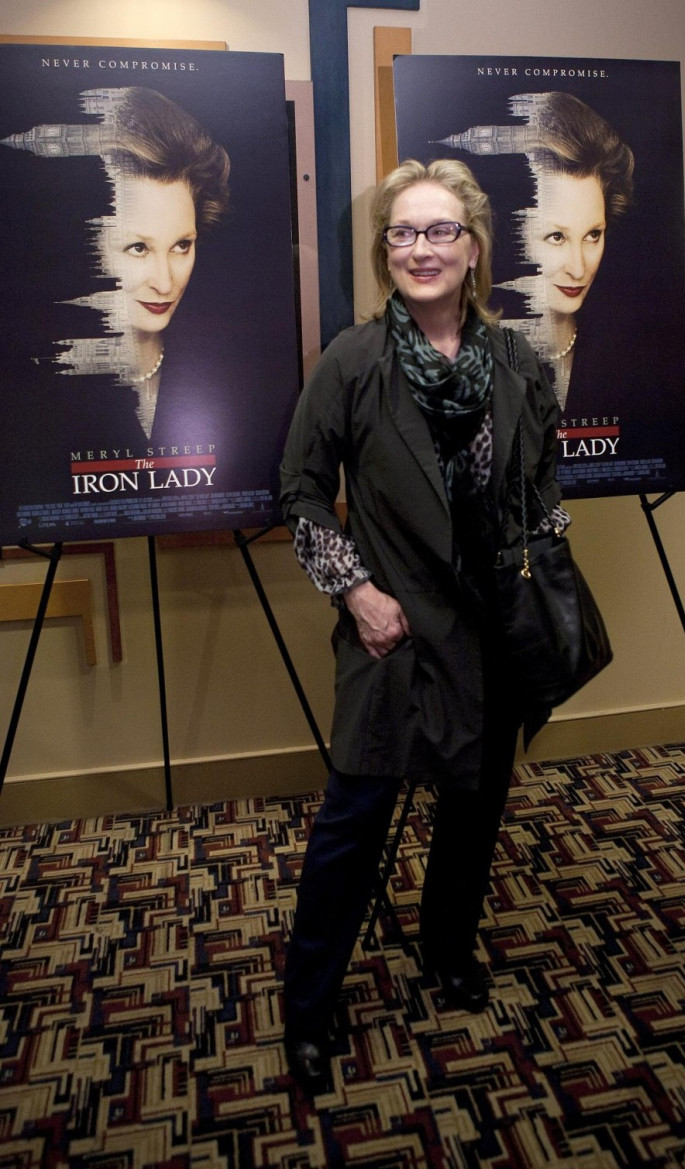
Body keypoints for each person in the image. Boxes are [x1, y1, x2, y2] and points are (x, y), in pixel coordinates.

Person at [280, 158, 568, 1093]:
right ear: (385, 252)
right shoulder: (352, 361)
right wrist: (355, 591)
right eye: (402, 233)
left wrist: (541, 567)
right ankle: (309, 1008)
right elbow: (299, 494)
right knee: (351, 827)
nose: (420, 248)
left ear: (475, 248)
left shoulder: (520, 361)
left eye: (440, 230)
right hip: (392, 629)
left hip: (493, 632)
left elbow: (542, 487)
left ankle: (446, 951)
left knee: (475, 812)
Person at [3, 86, 231, 436]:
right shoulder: (27, 388)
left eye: (181, 245)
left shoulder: (227, 369)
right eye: (138, 248)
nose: (165, 283)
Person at [440, 92, 634, 408]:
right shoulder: (460, 357)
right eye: (556, 237)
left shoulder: (630, 354)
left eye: (592, 235)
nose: (579, 268)